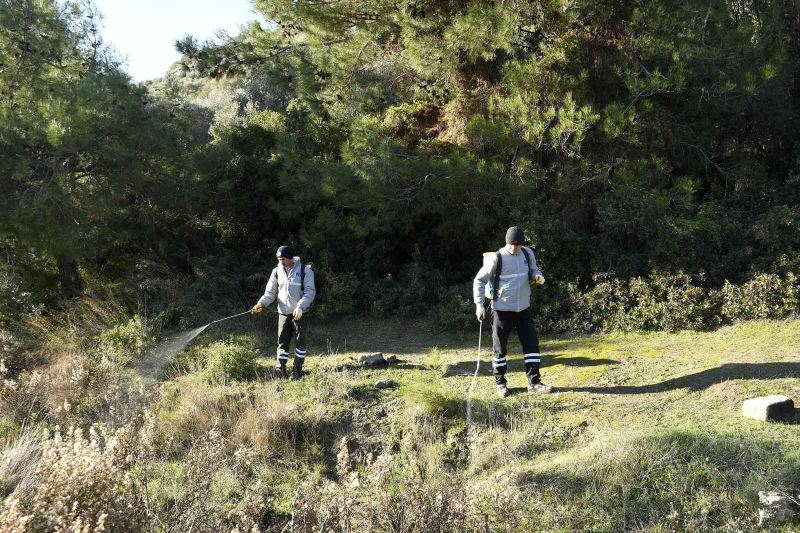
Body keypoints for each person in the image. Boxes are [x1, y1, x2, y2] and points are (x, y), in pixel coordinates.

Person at [473, 226, 552, 397]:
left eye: (517, 246)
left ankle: (534, 382)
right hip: (502, 311)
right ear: (506, 242)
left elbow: (534, 270)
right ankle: (500, 383)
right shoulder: (496, 258)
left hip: (524, 309)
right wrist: (479, 305)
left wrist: (538, 277)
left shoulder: (527, 253)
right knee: (500, 349)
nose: (514, 249)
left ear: (522, 244)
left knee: (531, 345)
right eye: (511, 245)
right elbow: (479, 280)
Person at [251, 245, 316, 380]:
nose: (281, 261)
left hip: (300, 313)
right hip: (283, 313)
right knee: (282, 342)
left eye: (284, 259)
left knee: (300, 342)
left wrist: (300, 307)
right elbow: (270, 292)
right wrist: (261, 303)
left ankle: (297, 371)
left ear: (291, 258)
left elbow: (310, 292)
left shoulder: (306, 271)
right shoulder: (276, 271)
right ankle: (280, 370)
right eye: (279, 259)